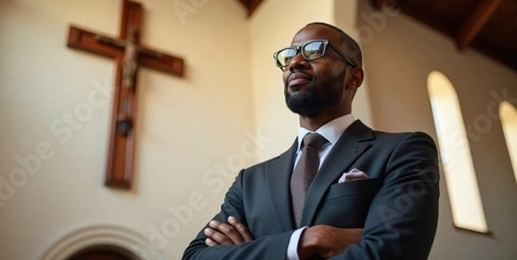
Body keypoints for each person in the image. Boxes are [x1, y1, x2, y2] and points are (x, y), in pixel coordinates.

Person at [182, 22, 439, 260]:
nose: (295, 62)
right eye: (289, 55)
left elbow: (394, 251)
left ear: (354, 77)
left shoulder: (404, 150)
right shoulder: (249, 182)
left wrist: (253, 252)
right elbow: (195, 256)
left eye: (314, 51)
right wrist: (309, 239)